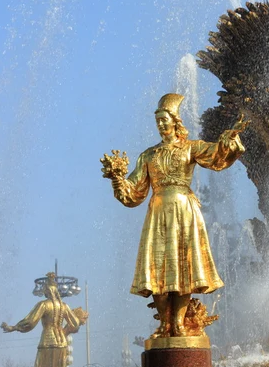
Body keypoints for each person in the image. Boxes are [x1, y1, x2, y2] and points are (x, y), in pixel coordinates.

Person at [101, 93, 247, 337]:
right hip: (158, 212)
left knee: (183, 269)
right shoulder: (148, 155)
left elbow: (216, 156)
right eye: (157, 120)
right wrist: (117, 179)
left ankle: (178, 324)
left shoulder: (190, 148)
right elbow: (134, 193)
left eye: (164, 119)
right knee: (158, 269)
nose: (160, 124)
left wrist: (229, 137)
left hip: (184, 211)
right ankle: (164, 324)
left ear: (175, 121)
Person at [1, 273, 88, 367]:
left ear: (47, 290)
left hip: (47, 342)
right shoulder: (64, 306)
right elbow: (75, 324)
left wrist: (14, 327)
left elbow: (30, 322)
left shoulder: (44, 305)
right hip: (61, 343)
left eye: (45, 289)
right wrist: (64, 332)